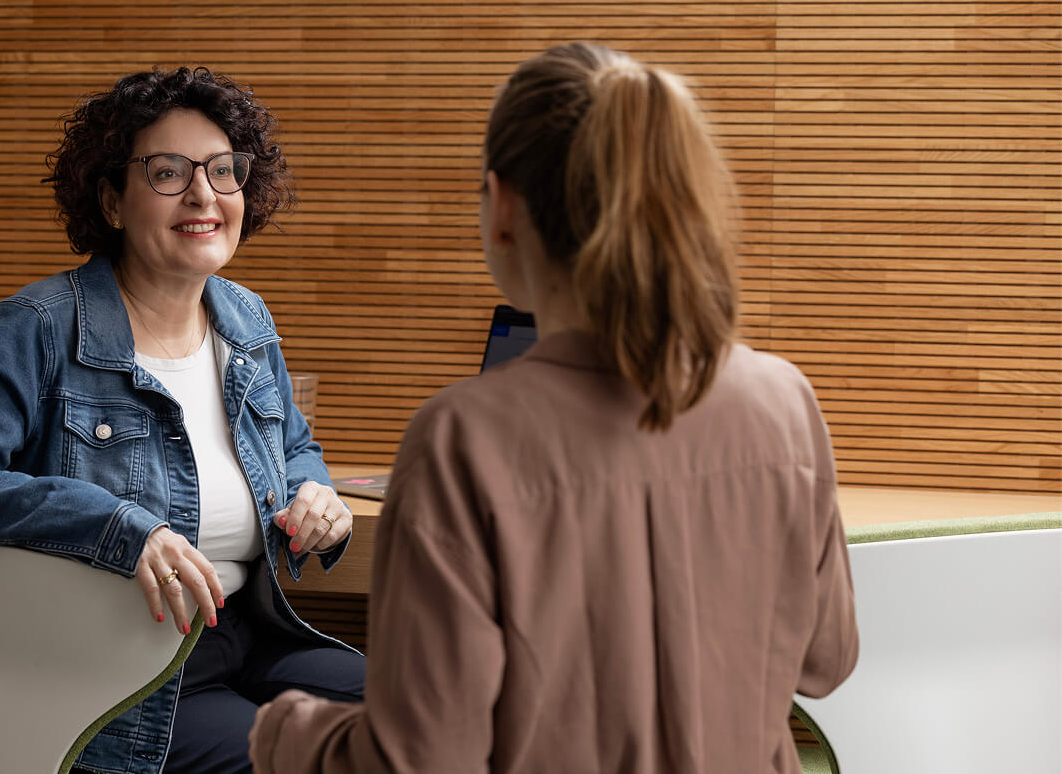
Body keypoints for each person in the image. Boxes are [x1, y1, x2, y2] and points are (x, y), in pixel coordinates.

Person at [248, 42, 859, 773]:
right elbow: (826, 658)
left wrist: (285, 731)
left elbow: (418, 762)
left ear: (503, 206)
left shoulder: (462, 438)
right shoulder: (784, 399)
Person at [0, 66, 365, 774]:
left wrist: (314, 493)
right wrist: (112, 524)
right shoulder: (40, 326)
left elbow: (294, 445)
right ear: (112, 200)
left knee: (426, 720)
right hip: (122, 673)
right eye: (168, 171)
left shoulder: (245, 319)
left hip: (251, 635)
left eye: (222, 171)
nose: (203, 193)